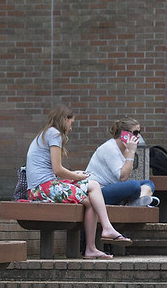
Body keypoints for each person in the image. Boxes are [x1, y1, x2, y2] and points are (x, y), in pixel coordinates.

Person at [25, 105, 132, 259]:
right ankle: (107, 228)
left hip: (41, 188)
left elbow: (53, 170)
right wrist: (77, 178)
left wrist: (73, 174)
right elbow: (57, 169)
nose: (71, 128)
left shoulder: (45, 134)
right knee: (93, 184)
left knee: (91, 202)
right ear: (64, 120)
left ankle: (90, 248)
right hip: (43, 189)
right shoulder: (55, 134)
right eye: (71, 123)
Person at [86, 118, 158, 207]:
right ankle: (137, 201)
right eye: (135, 133)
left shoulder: (125, 148)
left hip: (112, 188)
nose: (139, 136)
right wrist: (131, 152)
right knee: (134, 186)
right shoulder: (110, 148)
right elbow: (123, 177)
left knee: (149, 183)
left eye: (139, 132)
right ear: (124, 134)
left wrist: (129, 151)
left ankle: (138, 202)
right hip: (97, 192)